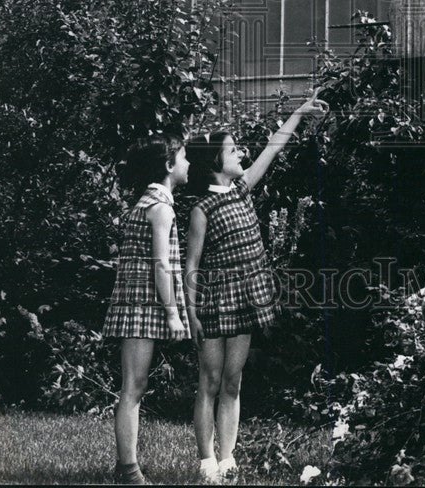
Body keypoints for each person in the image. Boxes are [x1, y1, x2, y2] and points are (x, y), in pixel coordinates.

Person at [185, 89, 328, 485]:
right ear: (215, 161)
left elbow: (273, 147)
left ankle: (228, 459)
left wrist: (299, 113)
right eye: (233, 152)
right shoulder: (201, 210)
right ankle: (206, 462)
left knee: (233, 380)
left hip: (246, 299)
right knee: (209, 381)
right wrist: (191, 313)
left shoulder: (244, 188)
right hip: (214, 303)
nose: (241, 156)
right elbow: (191, 266)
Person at [102, 135, 191, 486]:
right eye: (183, 158)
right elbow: (161, 264)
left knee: (133, 386)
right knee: (133, 387)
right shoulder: (161, 208)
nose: (188, 164)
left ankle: (126, 466)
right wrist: (172, 312)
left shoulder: (146, 203)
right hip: (142, 306)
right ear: (168, 166)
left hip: (136, 304)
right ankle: (128, 470)